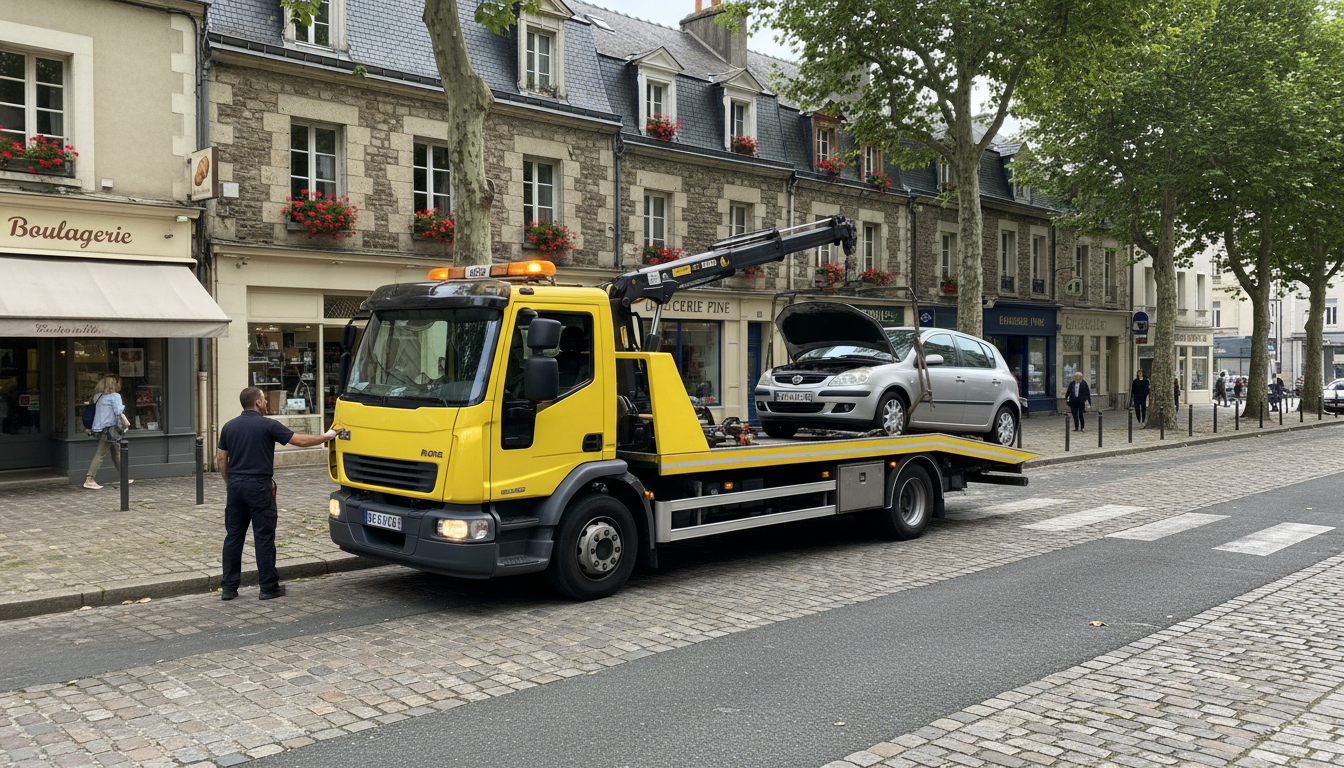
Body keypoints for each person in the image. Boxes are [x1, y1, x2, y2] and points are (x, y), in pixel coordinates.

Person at [217, 387, 338, 600]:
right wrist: (328, 436)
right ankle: (268, 587)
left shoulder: (229, 426)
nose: (266, 402)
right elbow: (299, 440)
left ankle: (229, 588)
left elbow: (220, 459)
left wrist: (230, 483)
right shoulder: (268, 425)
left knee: (233, 536)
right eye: (264, 399)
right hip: (259, 486)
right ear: (257, 403)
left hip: (236, 485)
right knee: (263, 537)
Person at [84, 374, 131, 490]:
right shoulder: (115, 396)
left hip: (100, 428)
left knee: (116, 451)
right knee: (100, 454)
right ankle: (89, 479)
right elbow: (118, 410)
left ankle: (124, 476)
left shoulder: (99, 396)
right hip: (110, 429)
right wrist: (124, 418)